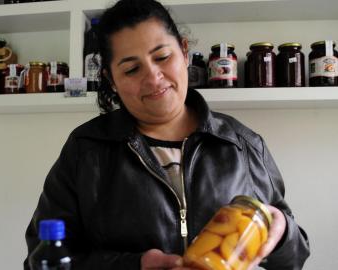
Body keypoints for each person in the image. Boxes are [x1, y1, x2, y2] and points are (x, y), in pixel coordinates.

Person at [24, 0, 310, 269]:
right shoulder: (86, 150)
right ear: (112, 80)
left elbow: (294, 258)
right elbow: (40, 258)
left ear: (184, 52)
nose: (153, 77)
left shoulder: (243, 145)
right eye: (132, 69)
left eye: (162, 56)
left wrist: (282, 232)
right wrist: (132, 265)